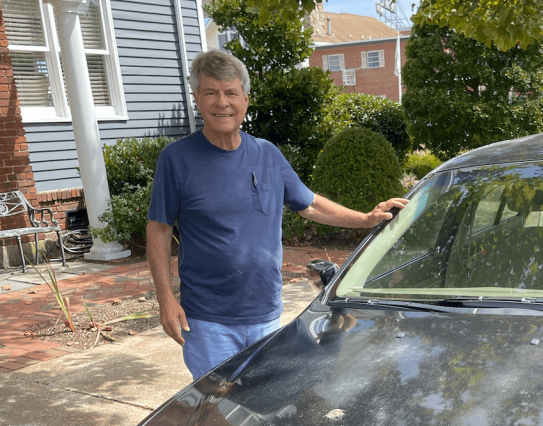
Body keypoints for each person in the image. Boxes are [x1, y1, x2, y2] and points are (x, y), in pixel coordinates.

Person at [146, 49, 407, 379]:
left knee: (265, 410)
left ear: (245, 99)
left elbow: (309, 204)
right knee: (218, 415)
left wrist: (365, 218)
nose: (221, 102)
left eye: (230, 92)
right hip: (208, 321)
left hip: (265, 314)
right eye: (210, 92)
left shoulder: (267, 154)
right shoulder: (177, 160)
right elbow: (159, 229)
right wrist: (166, 300)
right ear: (197, 98)